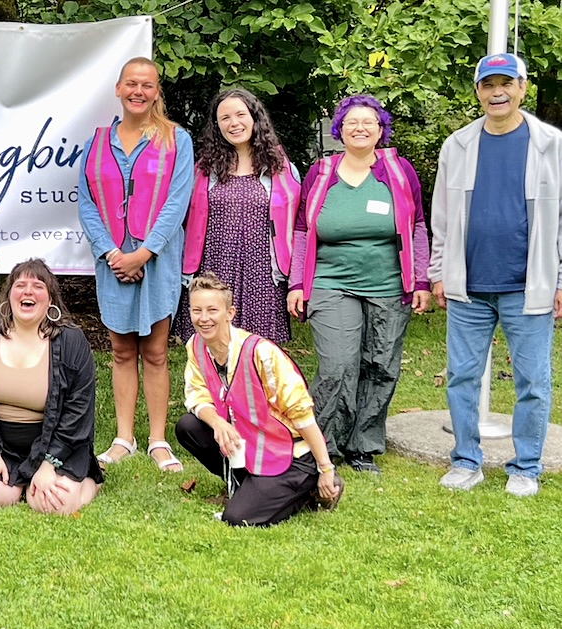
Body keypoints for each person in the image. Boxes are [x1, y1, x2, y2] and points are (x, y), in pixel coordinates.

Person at [432, 53, 562, 497]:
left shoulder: (550, 144)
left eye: (507, 83)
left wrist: (560, 279)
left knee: (532, 381)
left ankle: (526, 467)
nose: (498, 92)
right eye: (489, 85)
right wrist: (437, 273)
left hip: (530, 286)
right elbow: (443, 219)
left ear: (524, 88)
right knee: (462, 377)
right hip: (469, 286)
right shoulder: (458, 145)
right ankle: (466, 461)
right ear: (478, 92)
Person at [287, 94, 430, 475]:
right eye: (352, 122)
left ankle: (363, 445)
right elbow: (302, 230)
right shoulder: (321, 173)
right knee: (337, 364)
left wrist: (421, 280)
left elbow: (416, 226)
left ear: (381, 129)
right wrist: (297, 283)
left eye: (369, 122)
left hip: (388, 284)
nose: (361, 127)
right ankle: (326, 444)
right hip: (331, 283)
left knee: (380, 364)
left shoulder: (399, 171)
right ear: (340, 130)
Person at [78, 56, 194, 471]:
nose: (138, 91)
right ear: (118, 88)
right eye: (131, 83)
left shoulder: (176, 139)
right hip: (112, 261)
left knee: (157, 352)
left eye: (147, 85)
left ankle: (159, 441)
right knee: (122, 351)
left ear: (157, 91)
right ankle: (124, 437)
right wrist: (113, 253)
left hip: (157, 259)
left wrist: (144, 252)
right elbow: (88, 203)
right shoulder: (96, 142)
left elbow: (178, 201)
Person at [177, 274, 342, 526]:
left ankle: (308, 486)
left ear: (230, 313)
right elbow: (197, 394)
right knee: (189, 427)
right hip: (248, 442)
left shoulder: (261, 352)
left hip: (290, 453)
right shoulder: (196, 345)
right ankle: (248, 485)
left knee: (237, 518)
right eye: (196, 310)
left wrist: (325, 467)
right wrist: (219, 424)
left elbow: (302, 413)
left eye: (212, 310)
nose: (204, 318)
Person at [0, 259, 103, 514]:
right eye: (20, 285)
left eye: (38, 286)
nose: (28, 292)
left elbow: (78, 411)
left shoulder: (71, 340)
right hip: (0, 446)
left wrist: (49, 465)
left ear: (50, 299)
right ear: (9, 295)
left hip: (57, 446)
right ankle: (20, 481)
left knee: (53, 505)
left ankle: (90, 481)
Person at [177, 88, 300, 343]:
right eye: (225, 118)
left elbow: (299, 223)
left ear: (255, 118)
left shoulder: (281, 167)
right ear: (216, 124)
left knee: (259, 352)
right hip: (215, 267)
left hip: (262, 273)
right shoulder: (204, 169)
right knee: (213, 347)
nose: (234, 123)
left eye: (240, 115)